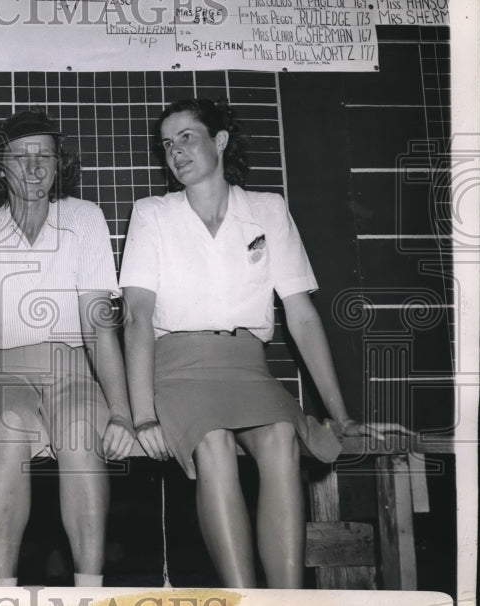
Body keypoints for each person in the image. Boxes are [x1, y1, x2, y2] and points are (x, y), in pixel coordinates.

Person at [120, 97, 399, 588]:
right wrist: (143, 415)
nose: (176, 152)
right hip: (178, 369)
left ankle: (287, 599)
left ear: (219, 140)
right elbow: (137, 318)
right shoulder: (151, 214)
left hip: (248, 368)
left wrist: (339, 413)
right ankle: (243, 598)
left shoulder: (268, 209)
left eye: (187, 137)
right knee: (214, 444)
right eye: (167, 144)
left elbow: (302, 317)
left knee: (281, 439)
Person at [0, 109, 135, 587]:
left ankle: (88, 592)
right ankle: (1, 592)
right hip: (3, 370)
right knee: (10, 430)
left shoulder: (84, 217)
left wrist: (121, 411)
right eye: (20, 156)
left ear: (59, 164)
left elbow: (98, 323)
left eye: (44, 157)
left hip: (71, 367)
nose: (33, 168)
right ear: (0, 165)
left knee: (77, 431)